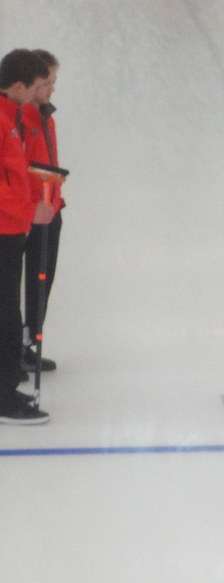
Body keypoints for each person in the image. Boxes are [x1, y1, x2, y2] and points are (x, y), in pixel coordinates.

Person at [0, 49, 54, 425]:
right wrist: (26, 209)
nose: (40, 93)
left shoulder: (13, 116)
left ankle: (7, 385)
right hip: (4, 228)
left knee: (8, 312)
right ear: (19, 86)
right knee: (4, 314)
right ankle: (3, 397)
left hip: (12, 229)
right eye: (37, 86)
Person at [21, 49, 63, 374]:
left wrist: (54, 199)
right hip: (27, 212)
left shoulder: (46, 116)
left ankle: (29, 340)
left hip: (50, 209)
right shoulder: (20, 118)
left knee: (42, 279)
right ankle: (14, 346)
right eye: (46, 82)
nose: (50, 88)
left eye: (53, 81)